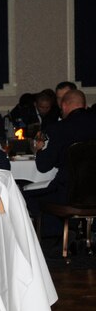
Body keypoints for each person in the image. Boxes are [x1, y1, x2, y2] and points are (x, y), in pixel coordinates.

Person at [26, 89, 96, 235]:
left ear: (64, 106)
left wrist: (39, 149)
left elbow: (44, 167)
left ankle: (54, 237)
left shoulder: (58, 129)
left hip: (69, 194)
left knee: (24, 193)